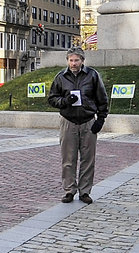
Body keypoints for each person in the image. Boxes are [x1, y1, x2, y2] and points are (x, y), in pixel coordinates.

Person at [48, 47, 109, 204]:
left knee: (88, 159)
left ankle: (85, 191)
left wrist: (100, 119)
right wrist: (65, 101)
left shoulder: (92, 75)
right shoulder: (61, 77)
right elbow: (52, 98)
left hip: (88, 120)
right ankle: (69, 190)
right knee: (68, 158)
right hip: (68, 121)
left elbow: (102, 99)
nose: (73, 63)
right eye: (71, 60)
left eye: (76, 60)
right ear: (67, 61)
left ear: (82, 61)